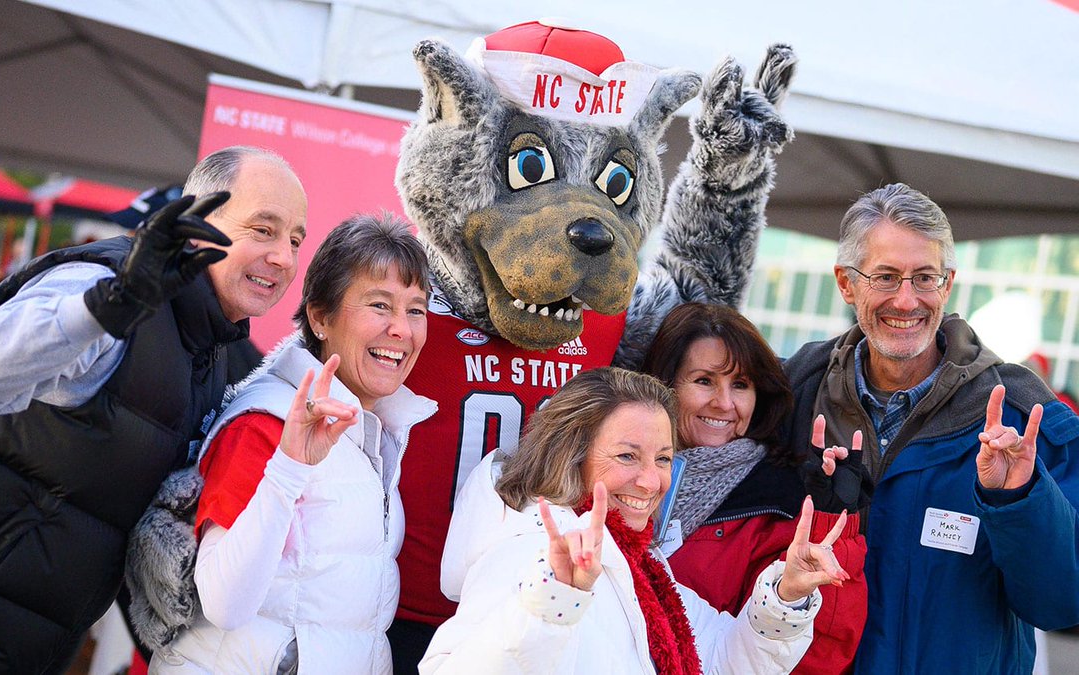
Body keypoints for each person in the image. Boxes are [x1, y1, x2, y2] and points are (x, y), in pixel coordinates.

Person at [0, 144, 308, 674]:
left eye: (295, 240)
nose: (284, 258)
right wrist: (108, 306)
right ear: (198, 225)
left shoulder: (209, 345)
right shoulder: (104, 284)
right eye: (263, 230)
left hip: (4, 648)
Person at [779, 182, 1079, 673]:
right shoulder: (793, 393)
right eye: (885, 277)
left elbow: (1061, 604)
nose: (906, 300)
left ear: (947, 284)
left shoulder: (1023, 416)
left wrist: (1019, 499)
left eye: (924, 278)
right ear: (846, 283)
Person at [142, 214, 436, 674]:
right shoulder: (266, 423)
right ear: (320, 317)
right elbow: (223, 604)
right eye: (379, 305)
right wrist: (288, 468)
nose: (402, 329)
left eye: (415, 310)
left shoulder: (372, 432)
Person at [422, 367, 850, 674]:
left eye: (663, 459)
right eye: (627, 456)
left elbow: (720, 660)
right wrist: (552, 600)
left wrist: (786, 595)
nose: (650, 481)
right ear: (570, 456)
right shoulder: (532, 553)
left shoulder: (637, 560)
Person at [641, 302, 869, 674]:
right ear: (662, 384)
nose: (724, 403)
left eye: (740, 385)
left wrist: (831, 525)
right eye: (704, 381)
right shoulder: (614, 476)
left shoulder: (779, 501)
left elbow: (815, 658)